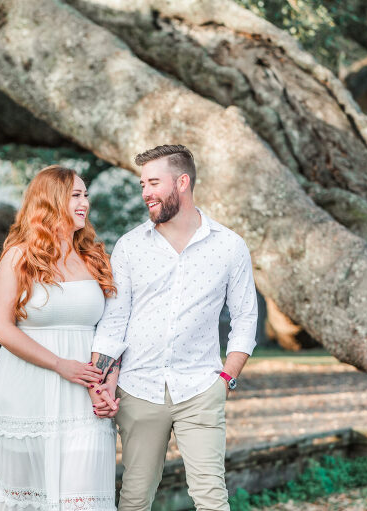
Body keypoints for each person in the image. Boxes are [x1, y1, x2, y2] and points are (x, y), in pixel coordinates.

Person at [89, 145, 258, 511]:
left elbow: (245, 319)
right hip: (138, 389)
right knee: (134, 498)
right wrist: (99, 380)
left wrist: (226, 378)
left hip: (200, 389)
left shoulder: (229, 246)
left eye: (153, 182)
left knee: (212, 499)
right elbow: (114, 321)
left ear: (182, 182)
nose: (146, 192)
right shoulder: (130, 246)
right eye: (142, 185)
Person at [0, 165, 119, 511]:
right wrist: (61, 365)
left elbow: (113, 328)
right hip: (27, 390)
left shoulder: (94, 258)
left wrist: (107, 384)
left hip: (85, 396)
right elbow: (0, 328)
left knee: (83, 495)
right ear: (50, 200)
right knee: (28, 497)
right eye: (76, 195)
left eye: (86, 195)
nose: (84, 203)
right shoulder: (18, 257)